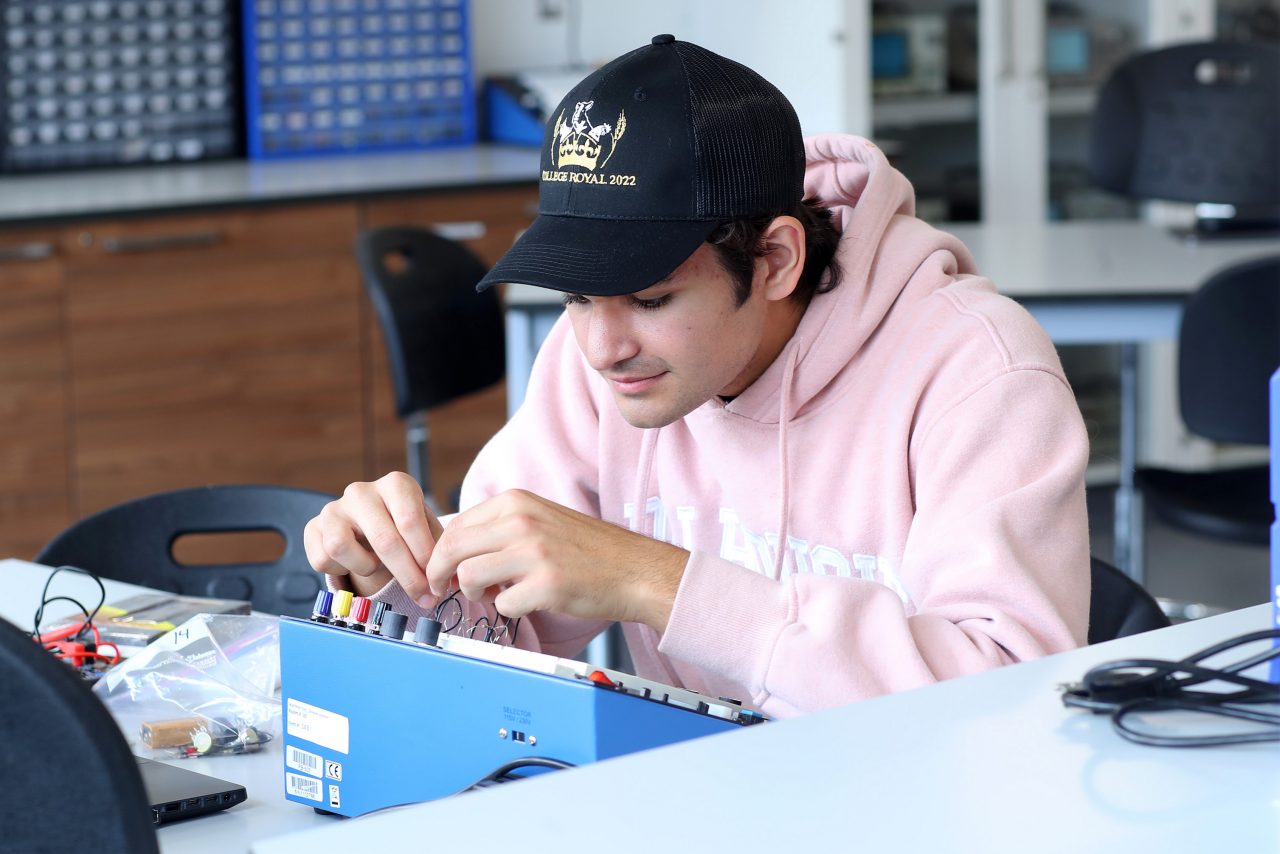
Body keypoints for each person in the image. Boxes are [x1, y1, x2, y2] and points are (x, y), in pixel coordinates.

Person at [305, 34, 1091, 718]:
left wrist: (665, 586)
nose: (603, 346)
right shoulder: (606, 366)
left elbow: (1008, 700)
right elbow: (508, 634)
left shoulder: (979, 373)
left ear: (775, 259)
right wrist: (398, 582)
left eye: (651, 296)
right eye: (578, 296)